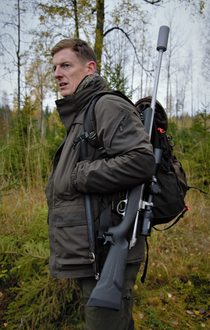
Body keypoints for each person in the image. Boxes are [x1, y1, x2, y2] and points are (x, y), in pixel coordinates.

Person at [45, 38, 155, 330]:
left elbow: (141, 161)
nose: (57, 73)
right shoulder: (81, 115)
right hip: (92, 252)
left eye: (66, 65)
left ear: (90, 68)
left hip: (107, 252)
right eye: (54, 67)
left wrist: (79, 175)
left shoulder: (105, 106)